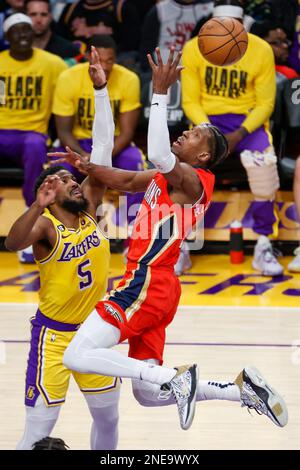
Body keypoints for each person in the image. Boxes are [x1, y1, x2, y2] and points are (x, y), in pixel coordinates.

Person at [50, 47, 288, 431]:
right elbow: (125, 180)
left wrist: (159, 92)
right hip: (161, 288)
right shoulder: (166, 179)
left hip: (146, 280)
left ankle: (173, 378)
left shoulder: (194, 182)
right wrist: (89, 166)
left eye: (193, 135)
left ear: (204, 156)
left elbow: (160, 153)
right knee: (146, 395)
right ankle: (240, 389)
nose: (185, 133)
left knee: (78, 355)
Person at [5, 46, 121, 450]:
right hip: (53, 338)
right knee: (38, 433)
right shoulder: (45, 226)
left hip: (94, 332)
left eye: (73, 179)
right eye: (61, 181)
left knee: (108, 420)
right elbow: (11, 243)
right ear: (48, 195)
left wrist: (100, 90)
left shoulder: (89, 209)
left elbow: (103, 148)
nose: (73, 182)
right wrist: (36, 204)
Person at [181, 1, 284, 277]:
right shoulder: (193, 48)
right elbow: (189, 100)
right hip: (207, 120)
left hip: (245, 123)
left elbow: (265, 104)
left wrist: (238, 134)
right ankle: (179, 246)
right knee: (182, 173)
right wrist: (207, 131)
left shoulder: (260, 48)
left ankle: (264, 243)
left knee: (263, 165)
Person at [52, 34, 144, 227]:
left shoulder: (129, 79)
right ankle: (60, 230)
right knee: (57, 172)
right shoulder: (67, 78)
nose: (106, 66)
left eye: (110, 60)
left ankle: (134, 229)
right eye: (100, 61)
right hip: (78, 143)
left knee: (133, 161)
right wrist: (83, 157)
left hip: (115, 144)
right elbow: (63, 131)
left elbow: (127, 132)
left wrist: (97, 160)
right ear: (88, 58)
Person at [0, 12, 67, 263]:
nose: (23, 35)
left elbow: (69, 90)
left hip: (32, 133)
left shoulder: (53, 63)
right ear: (7, 37)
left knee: (35, 144)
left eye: (26, 30)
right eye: (16, 31)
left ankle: (32, 217)